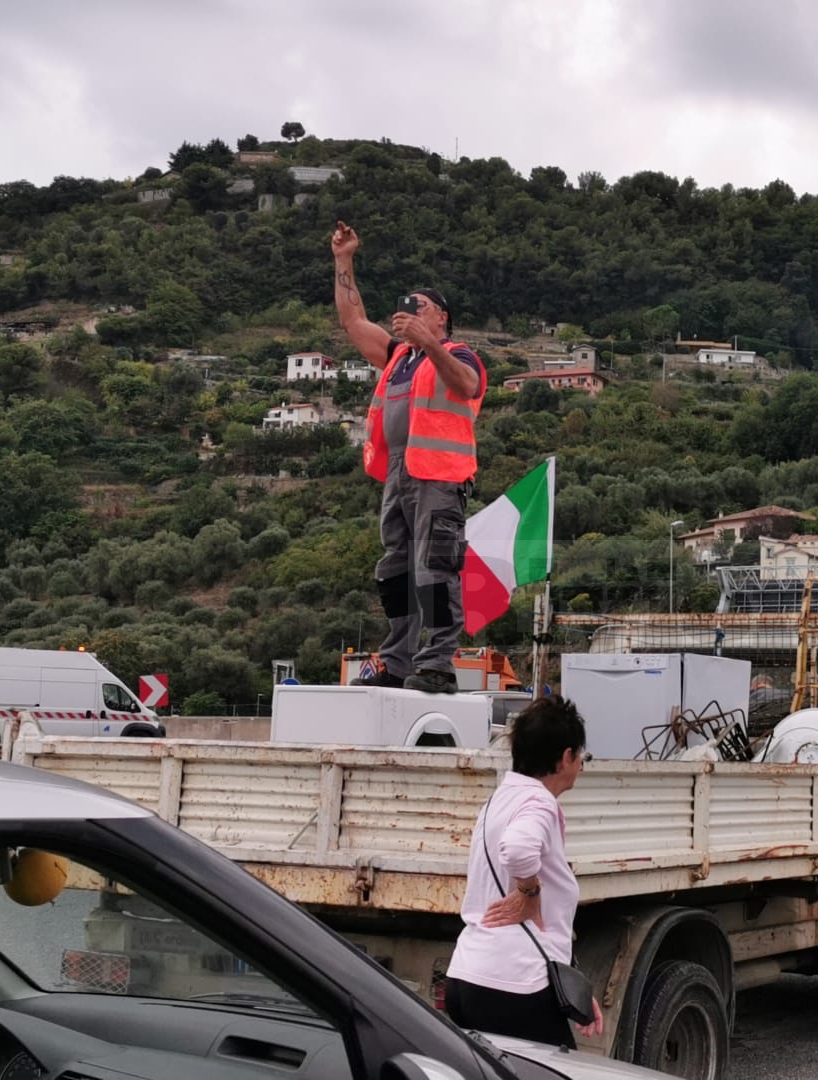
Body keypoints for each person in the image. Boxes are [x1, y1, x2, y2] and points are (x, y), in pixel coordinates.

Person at [332, 221, 488, 694]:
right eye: (405, 309)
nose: (407, 314)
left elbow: (466, 386)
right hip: (398, 473)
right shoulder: (399, 356)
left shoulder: (459, 353)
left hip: (439, 476)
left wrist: (429, 342)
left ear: (441, 317)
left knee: (436, 568)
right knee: (395, 569)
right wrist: (344, 260)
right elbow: (353, 322)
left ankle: (437, 663)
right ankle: (397, 660)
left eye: (418, 308)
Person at [444, 696, 604, 1046]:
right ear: (565, 758)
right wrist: (529, 893)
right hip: (514, 985)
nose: (581, 766)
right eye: (581, 757)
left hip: (468, 976)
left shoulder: (499, 800)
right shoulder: (538, 802)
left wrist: (566, 984)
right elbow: (518, 848)